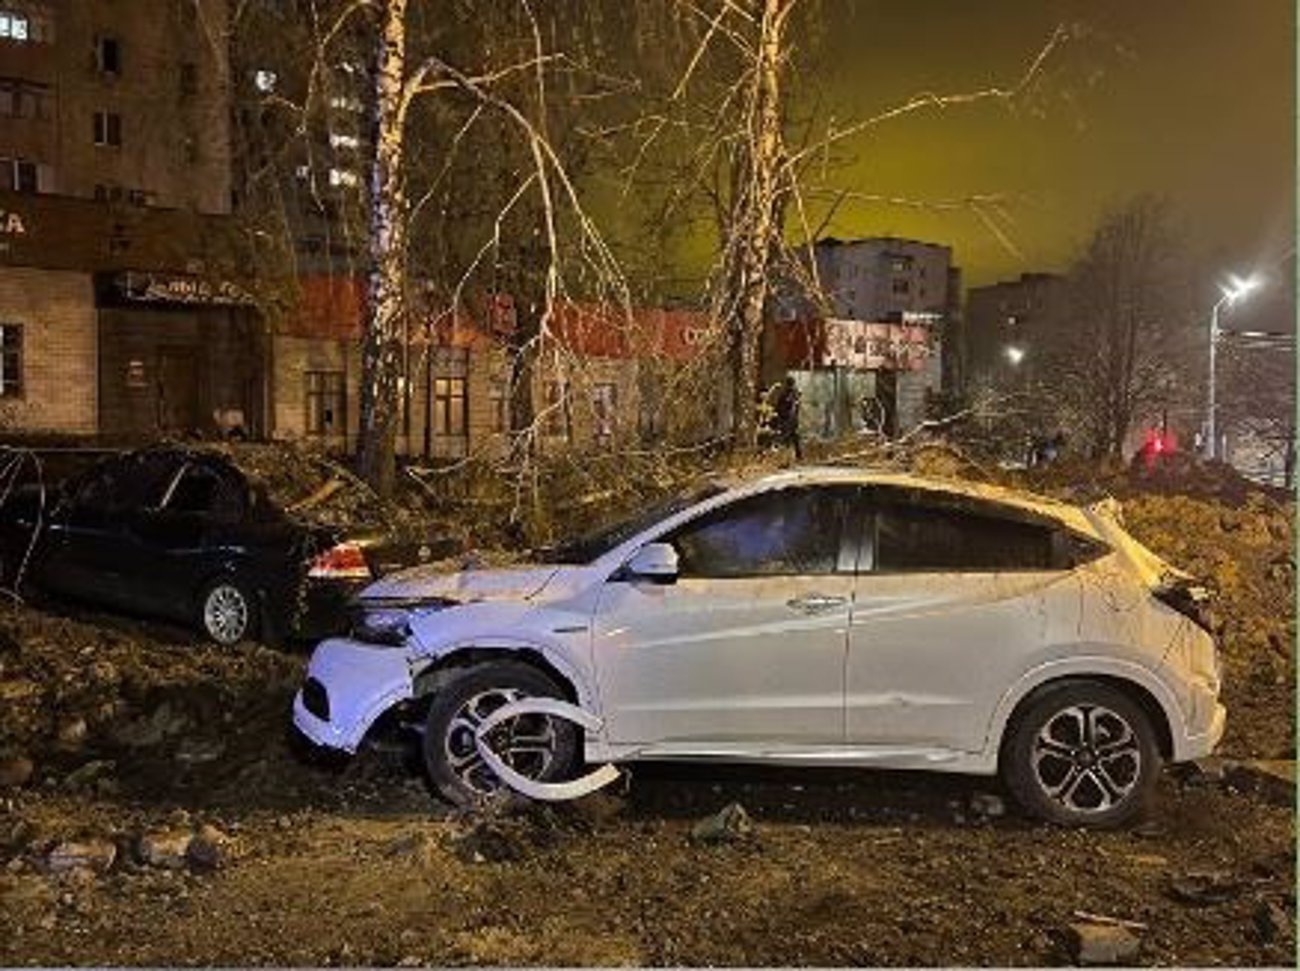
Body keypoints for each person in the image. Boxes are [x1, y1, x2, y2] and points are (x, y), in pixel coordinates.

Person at [773, 376, 803, 459]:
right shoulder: (785, 394)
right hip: (786, 419)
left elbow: (796, 407)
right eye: (791, 384)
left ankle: (796, 455)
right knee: (787, 436)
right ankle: (786, 454)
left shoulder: (794, 394)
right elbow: (779, 407)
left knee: (793, 436)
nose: (791, 386)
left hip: (791, 420)